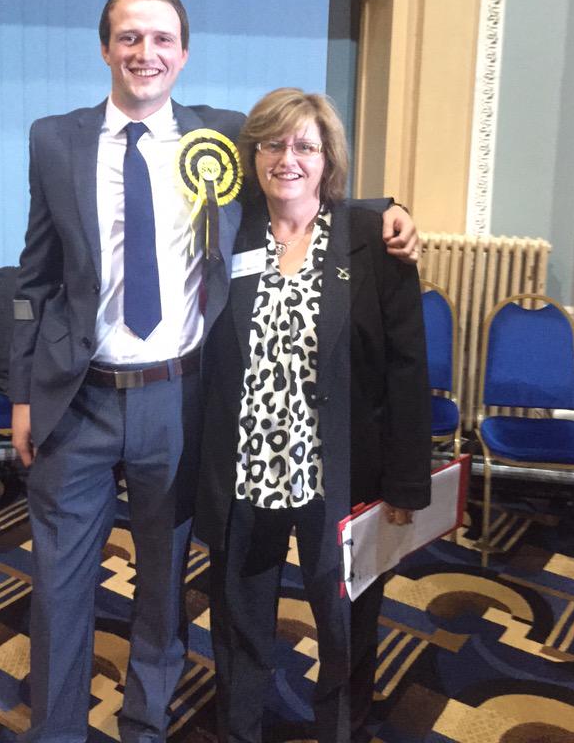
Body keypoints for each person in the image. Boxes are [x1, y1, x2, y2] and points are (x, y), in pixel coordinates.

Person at [9, 0, 419, 743]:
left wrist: (388, 209)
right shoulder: (54, 140)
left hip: (179, 402)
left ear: (184, 53)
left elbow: (304, 175)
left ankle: (145, 724)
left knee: (163, 586)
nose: (146, 52)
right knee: (58, 586)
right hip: (77, 400)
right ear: (106, 48)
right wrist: (23, 393)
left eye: (162, 38)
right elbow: (33, 281)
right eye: (130, 37)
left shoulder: (223, 136)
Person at [196, 88, 431, 743]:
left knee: (345, 625)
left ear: (328, 158)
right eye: (273, 144)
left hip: (339, 476)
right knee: (239, 622)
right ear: (253, 156)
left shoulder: (372, 240)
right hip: (247, 474)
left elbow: (408, 367)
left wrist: (406, 484)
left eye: (305, 145)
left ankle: (340, 731)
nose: (288, 158)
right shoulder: (226, 234)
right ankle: (240, 729)